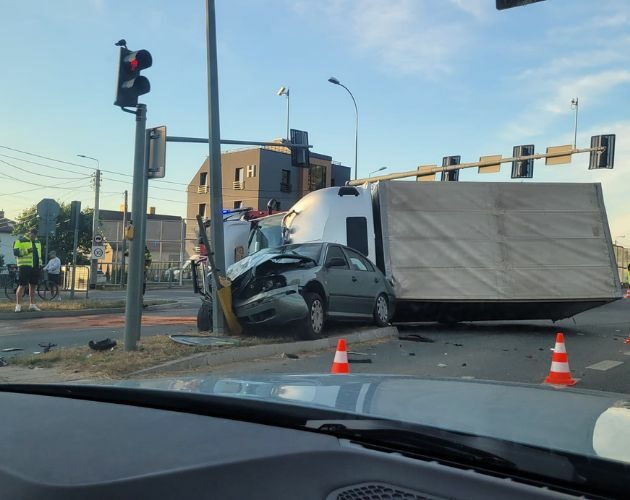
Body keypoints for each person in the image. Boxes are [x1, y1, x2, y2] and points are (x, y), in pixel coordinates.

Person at [13, 228, 42, 312]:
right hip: (24, 265)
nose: (34, 236)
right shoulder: (20, 241)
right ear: (29, 233)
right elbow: (16, 252)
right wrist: (27, 251)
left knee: (33, 285)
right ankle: (18, 305)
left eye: (36, 235)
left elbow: (39, 255)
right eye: (33, 234)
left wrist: (40, 264)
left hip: (35, 266)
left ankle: (32, 305)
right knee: (22, 285)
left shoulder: (38, 242)